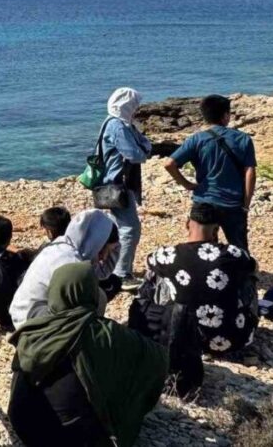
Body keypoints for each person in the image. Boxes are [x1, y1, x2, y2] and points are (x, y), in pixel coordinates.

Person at [8, 262, 167, 447]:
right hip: (80, 441)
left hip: (27, 431)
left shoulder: (32, 332)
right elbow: (160, 360)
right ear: (92, 292)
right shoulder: (108, 335)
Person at [133, 205, 259, 356]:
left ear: (187, 224)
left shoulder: (168, 255)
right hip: (232, 341)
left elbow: (148, 261)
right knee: (248, 275)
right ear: (216, 231)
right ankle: (241, 319)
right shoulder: (233, 254)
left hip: (179, 337)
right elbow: (253, 267)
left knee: (154, 273)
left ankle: (149, 320)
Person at [163, 94, 257, 250]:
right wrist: (246, 204)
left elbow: (169, 164)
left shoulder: (196, 139)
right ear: (226, 115)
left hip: (204, 201)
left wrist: (186, 184)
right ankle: (241, 273)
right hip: (232, 202)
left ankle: (203, 272)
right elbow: (250, 173)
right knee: (239, 248)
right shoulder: (242, 139)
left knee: (201, 247)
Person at [9, 209, 120, 327]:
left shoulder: (64, 244)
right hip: (32, 323)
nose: (104, 258)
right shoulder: (71, 262)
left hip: (26, 313)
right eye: (104, 251)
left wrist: (114, 246)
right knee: (97, 299)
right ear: (96, 243)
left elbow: (101, 274)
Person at [99, 87, 152, 286]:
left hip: (118, 183)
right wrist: (144, 150)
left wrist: (144, 148)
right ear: (126, 106)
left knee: (117, 228)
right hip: (117, 185)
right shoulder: (118, 126)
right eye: (134, 105)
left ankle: (109, 267)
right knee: (130, 228)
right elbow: (136, 154)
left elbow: (144, 145)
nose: (137, 110)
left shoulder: (121, 124)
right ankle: (122, 274)